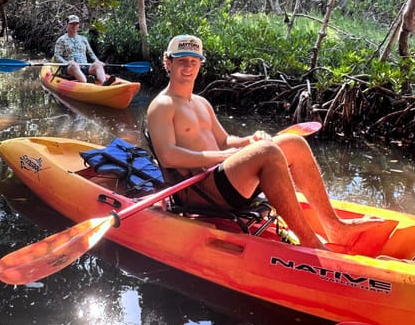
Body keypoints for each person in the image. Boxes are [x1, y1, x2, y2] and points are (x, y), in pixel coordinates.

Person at [147, 34, 385, 251]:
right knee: (268, 152)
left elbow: (224, 140)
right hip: (200, 191)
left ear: (200, 63)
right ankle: (310, 242)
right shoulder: (162, 106)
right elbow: (168, 156)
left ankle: (334, 226)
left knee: (293, 143)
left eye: (194, 60)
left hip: (222, 177)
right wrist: (226, 157)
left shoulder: (201, 103)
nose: (188, 66)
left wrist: (249, 140)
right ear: (168, 62)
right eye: (181, 60)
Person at [53, 15, 115, 85]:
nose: (74, 26)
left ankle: (104, 82)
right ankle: (87, 83)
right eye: (72, 24)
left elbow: (91, 54)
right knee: (74, 66)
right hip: (69, 68)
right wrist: (67, 62)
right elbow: (57, 56)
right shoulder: (61, 40)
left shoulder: (83, 39)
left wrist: (97, 61)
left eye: (76, 24)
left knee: (97, 64)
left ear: (78, 25)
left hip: (84, 67)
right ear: (67, 25)